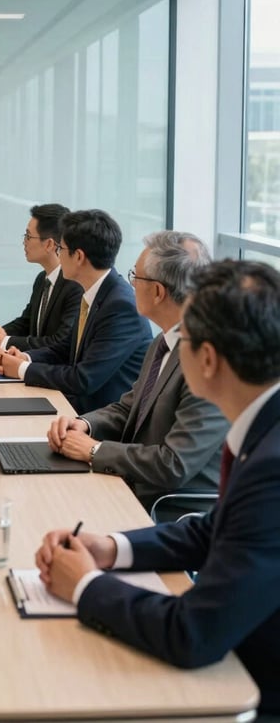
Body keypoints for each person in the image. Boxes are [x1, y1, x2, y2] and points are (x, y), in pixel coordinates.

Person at [35, 260, 280, 717]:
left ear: (206, 359)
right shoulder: (264, 424)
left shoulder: (272, 465)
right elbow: (213, 531)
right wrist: (110, 548)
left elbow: (195, 633)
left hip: (250, 681)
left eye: (184, 338)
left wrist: (85, 585)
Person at [46, 231, 228, 517]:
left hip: (169, 510)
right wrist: (84, 425)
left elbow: (174, 464)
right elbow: (129, 407)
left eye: (136, 277)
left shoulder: (210, 363)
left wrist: (94, 451)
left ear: (157, 291)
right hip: (132, 484)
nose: (130, 285)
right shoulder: (164, 341)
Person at [0, 209, 152, 413]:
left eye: (61, 249)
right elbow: (64, 349)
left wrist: (23, 370)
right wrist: (26, 358)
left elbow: (84, 379)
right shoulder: (95, 292)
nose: (58, 256)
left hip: (100, 421)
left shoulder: (121, 306)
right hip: (73, 407)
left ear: (78, 256)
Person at [0, 203, 82, 352]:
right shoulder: (42, 279)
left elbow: (61, 341)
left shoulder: (75, 285)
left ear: (49, 244)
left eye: (28, 236)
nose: (24, 242)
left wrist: (3, 341)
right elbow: (26, 323)